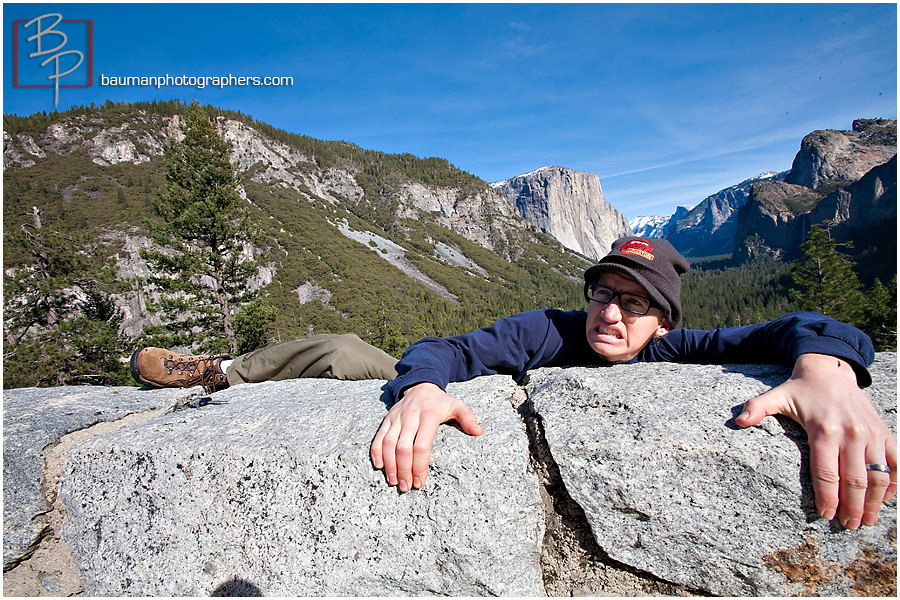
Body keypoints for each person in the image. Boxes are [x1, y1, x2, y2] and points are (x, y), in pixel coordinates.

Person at [131, 237, 897, 531]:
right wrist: (423, 389)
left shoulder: (681, 350)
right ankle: (221, 371)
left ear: (663, 323)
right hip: (410, 374)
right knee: (338, 348)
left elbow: (800, 325)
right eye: (603, 292)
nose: (610, 312)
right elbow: (446, 347)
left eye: (634, 304)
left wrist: (827, 372)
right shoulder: (549, 330)